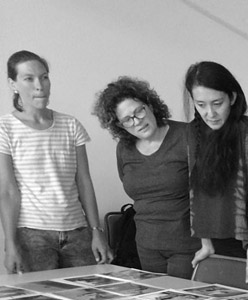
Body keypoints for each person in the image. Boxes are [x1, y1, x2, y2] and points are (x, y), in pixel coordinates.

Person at [0, 50, 112, 273]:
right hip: (32, 235)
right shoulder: (5, 129)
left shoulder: (71, 125)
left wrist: (96, 231)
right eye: (29, 79)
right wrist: (10, 243)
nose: (39, 86)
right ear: (13, 84)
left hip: (78, 232)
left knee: (88, 299)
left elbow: (84, 182)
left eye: (44, 77)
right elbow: (8, 190)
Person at [93, 76, 199, 278]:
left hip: (187, 244)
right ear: (120, 126)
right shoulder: (124, 149)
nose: (137, 121)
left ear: (150, 105)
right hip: (146, 246)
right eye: (127, 119)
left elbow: (207, 193)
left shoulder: (187, 135)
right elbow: (130, 186)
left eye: (139, 111)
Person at [184, 61, 248, 282]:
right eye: (201, 104)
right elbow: (196, 192)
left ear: (232, 98)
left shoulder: (247, 133)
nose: (209, 113)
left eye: (217, 103)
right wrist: (205, 244)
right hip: (213, 240)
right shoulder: (194, 132)